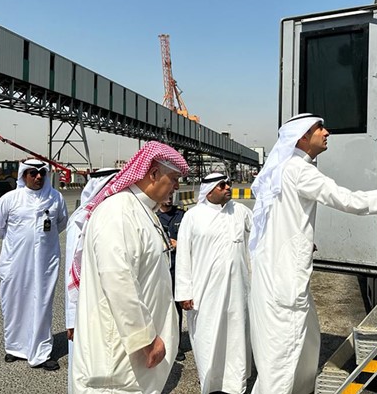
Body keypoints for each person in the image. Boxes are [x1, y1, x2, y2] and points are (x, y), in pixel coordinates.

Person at [248, 113, 377, 394]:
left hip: (274, 281)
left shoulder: (281, 170)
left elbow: (275, 225)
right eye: (321, 128)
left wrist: (302, 243)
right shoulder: (299, 170)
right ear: (303, 137)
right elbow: (350, 200)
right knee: (282, 365)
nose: (327, 132)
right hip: (285, 288)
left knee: (304, 352)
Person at [70, 141, 189, 393]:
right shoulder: (118, 212)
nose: (178, 186)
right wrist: (145, 339)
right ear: (153, 173)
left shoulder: (143, 211)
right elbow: (118, 280)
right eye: (174, 177)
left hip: (133, 359)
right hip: (117, 361)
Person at [175, 173, 253, 394]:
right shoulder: (193, 217)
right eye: (222, 185)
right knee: (207, 338)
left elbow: (258, 243)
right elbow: (183, 257)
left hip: (238, 292)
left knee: (236, 338)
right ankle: (209, 384)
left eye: (228, 183)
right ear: (209, 190)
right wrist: (183, 292)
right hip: (204, 293)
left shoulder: (241, 213)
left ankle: (236, 386)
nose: (228, 187)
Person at [0, 159, 69, 371]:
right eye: (33, 173)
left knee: (42, 304)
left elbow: (61, 223)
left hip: (45, 263)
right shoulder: (10, 199)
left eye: (42, 172)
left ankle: (41, 352)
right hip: (15, 263)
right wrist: (19, 242)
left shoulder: (55, 198)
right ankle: (14, 348)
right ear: (24, 175)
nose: (38, 177)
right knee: (14, 303)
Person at [64, 167, 119, 392]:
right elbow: (72, 274)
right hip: (88, 306)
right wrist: (71, 319)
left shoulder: (117, 217)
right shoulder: (81, 221)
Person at [156, 194, 187, 362]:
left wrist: (179, 244)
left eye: (171, 196)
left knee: (176, 310)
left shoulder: (182, 215)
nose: (168, 198)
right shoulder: (152, 216)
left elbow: (192, 240)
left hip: (176, 269)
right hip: (159, 271)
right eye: (165, 195)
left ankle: (177, 346)